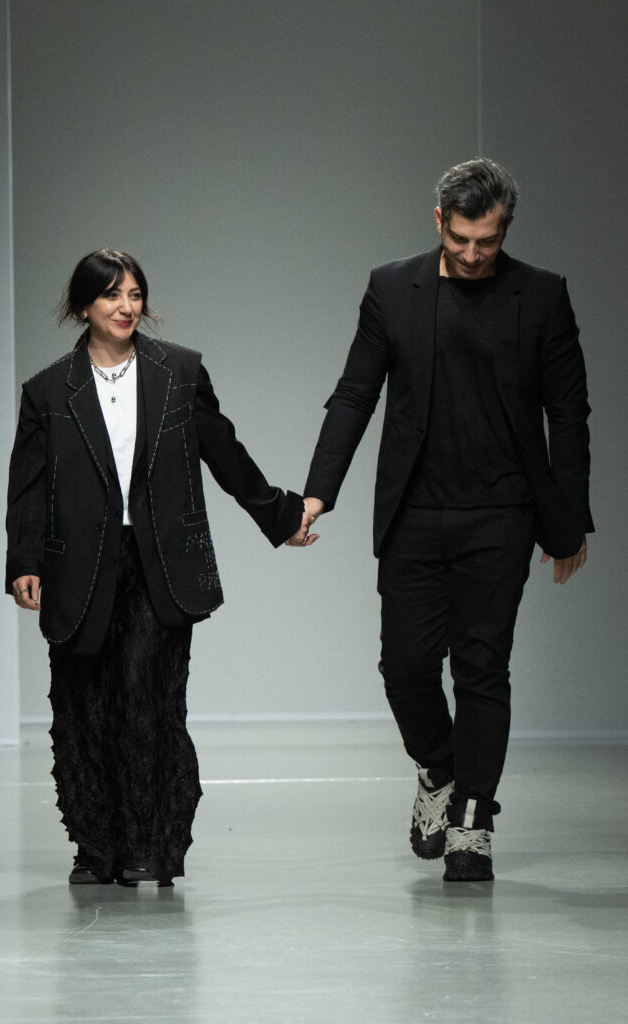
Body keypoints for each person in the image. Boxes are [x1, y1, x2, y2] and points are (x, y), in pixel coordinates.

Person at [289, 159, 592, 882]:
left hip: (502, 511)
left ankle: (473, 820)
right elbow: (355, 394)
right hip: (416, 510)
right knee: (405, 666)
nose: (473, 253)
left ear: (506, 228)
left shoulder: (541, 294)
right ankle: (439, 768)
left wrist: (568, 520)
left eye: (487, 240)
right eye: (460, 238)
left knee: (483, 665)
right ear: (438, 222)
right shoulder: (393, 288)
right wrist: (317, 492)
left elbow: (568, 412)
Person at [6, 248, 310, 886]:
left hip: (159, 560)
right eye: (111, 295)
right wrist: (24, 560)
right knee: (84, 705)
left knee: (147, 699)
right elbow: (29, 487)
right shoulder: (47, 391)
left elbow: (224, 452)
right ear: (83, 305)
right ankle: (95, 847)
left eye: (135, 294)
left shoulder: (179, 372)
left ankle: (149, 844)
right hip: (78, 566)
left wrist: (280, 516)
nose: (126, 307)